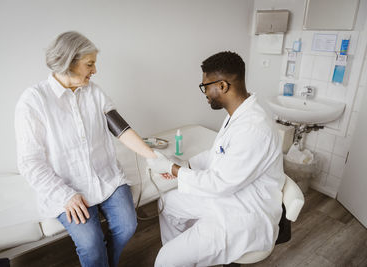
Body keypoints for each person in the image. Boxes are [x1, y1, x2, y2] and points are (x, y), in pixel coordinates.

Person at [15, 31, 156, 267]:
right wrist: (65, 195)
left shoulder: (94, 92)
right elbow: (30, 162)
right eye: (90, 64)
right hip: (66, 186)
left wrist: (154, 158)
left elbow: (121, 130)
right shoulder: (33, 100)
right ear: (69, 62)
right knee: (91, 243)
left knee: (128, 225)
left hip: (106, 177)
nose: (95, 71)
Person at [147, 51, 285, 266]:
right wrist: (185, 164)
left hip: (245, 213)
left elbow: (220, 183)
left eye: (205, 86)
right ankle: (187, 256)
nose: (204, 92)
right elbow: (217, 154)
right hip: (230, 196)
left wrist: (174, 169)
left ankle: (178, 257)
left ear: (222, 86)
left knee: (165, 259)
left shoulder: (253, 128)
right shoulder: (238, 115)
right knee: (167, 202)